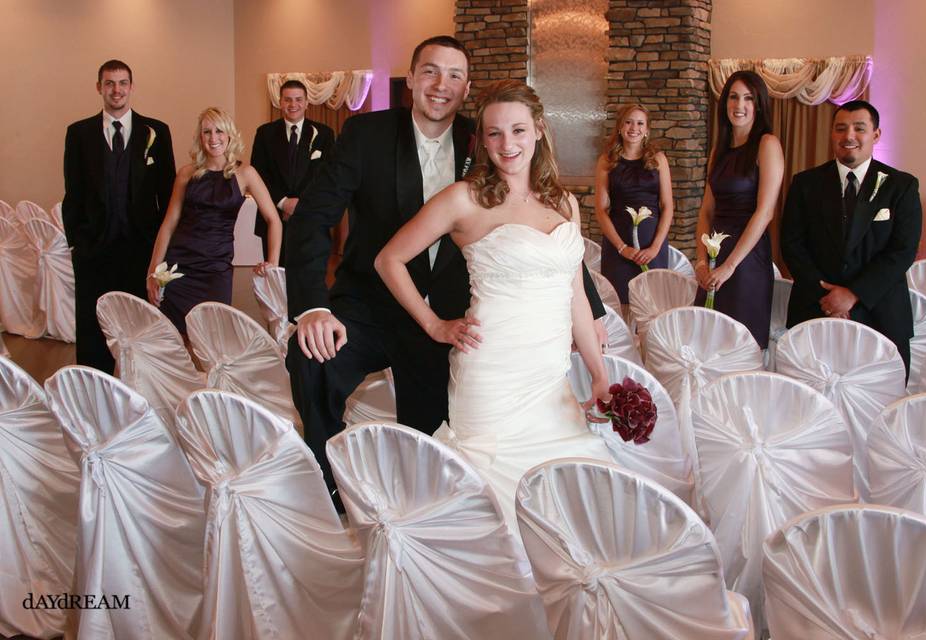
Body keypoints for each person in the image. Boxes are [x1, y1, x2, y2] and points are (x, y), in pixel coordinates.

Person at [284, 36, 607, 507]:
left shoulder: (490, 138)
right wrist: (313, 306)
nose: (441, 85)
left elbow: (544, 241)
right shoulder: (365, 134)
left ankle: (419, 511)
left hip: (454, 320)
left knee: (434, 449)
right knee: (313, 358)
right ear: (410, 80)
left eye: (454, 75)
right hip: (373, 304)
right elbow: (313, 218)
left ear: (467, 87)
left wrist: (591, 313)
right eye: (430, 72)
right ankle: (328, 484)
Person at [376, 79, 614, 530]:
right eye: (495, 133)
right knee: (494, 510)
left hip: (550, 382)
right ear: (482, 140)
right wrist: (433, 325)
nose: (508, 144)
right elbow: (389, 259)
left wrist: (599, 376)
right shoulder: (464, 198)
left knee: (569, 504)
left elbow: (575, 297)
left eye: (519, 130)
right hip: (491, 378)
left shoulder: (563, 202)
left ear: (539, 130)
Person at [781, 100, 921, 374]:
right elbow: (791, 243)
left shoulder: (901, 185)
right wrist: (828, 297)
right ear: (832, 133)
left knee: (880, 404)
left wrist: (854, 294)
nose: (849, 137)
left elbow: (903, 250)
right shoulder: (805, 183)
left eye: (859, 128)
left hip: (880, 312)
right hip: (815, 307)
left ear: (876, 135)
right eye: (840, 128)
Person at [63, 59, 175, 372]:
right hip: (93, 249)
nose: (116, 90)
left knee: (140, 324)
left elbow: (167, 195)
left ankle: (140, 389)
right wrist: (77, 243)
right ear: (99, 87)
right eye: (110, 83)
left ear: (132, 87)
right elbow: (73, 193)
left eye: (122, 82)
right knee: (91, 325)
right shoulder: (78, 134)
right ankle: (93, 388)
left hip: (141, 249)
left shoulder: (157, 132)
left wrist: (161, 250)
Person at [146, 107, 281, 333]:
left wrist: (272, 263)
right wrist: (153, 272)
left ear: (229, 135)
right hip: (178, 267)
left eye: (219, 131)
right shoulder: (186, 174)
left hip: (216, 268)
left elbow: (273, 219)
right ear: (200, 137)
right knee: (178, 339)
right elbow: (168, 226)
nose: (213, 138)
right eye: (207, 132)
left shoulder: (245, 173)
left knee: (213, 336)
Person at [694, 70, 784, 347]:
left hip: (746, 260)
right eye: (733, 97)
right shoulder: (719, 149)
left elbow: (765, 212)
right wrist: (700, 261)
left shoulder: (767, 144)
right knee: (707, 340)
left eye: (748, 98)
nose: (739, 105)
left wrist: (731, 265)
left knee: (739, 344)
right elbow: (707, 211)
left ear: (758, 104)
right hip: (714, 254)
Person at [594, 103, 675, 302]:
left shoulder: (658, 159)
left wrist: (655, 248)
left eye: (640, 123)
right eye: (628, 122)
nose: (634, 128)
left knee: (651, 303)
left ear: (647, 130)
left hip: (651, 242)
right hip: (618, 242)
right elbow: (601, 209)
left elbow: (667, 206)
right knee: (619, 302)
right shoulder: (607, 160)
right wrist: (622, 248)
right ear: (620, 127)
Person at [250, 79, 335, 266]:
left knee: (308, 280)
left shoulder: (324, 134)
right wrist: (283, 202)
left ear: (306, 103)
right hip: (274, 217)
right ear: (280, 102)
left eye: (298, 99)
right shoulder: (264, 133)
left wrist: (300, 204)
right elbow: (258, 174)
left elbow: (327, 176)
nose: (293, 105)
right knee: (276, 278)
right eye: (288, 100)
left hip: (311, 219)